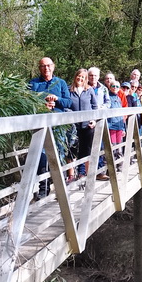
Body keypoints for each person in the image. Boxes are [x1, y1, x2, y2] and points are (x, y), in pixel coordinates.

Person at [28, 57, 72, 197]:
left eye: (48, 65)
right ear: (39, 68)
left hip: (58, 125)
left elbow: (68, 103)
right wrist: (43, 104)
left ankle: (61, 189)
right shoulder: (33, 83)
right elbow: (27, 101)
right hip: (40, 126)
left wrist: (57, 100)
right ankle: (43, 189)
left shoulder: (61, 83)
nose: (46, 68)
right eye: (43, 66)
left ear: (53, 66)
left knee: (59, 153)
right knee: (42, 156)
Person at [68, 68, 98, 177]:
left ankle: (87, 175)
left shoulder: (89, 90)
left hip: (87, 126)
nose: (80, 78)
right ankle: (71, 176)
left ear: (86, 79)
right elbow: (66, 106)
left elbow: (95, 106)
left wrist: (94, 120)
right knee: (71, 150)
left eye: (83, 77)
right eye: (79, 76)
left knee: (87, 150)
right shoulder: (69, 90)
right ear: (75, 76)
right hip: (73, 126)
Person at [107, 81, 126, 166]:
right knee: (113, 147)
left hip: (119, 125)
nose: (115, 88)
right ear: (110, 87)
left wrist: (123, 128)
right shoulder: (108, 97)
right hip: (111, 126)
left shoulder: (118, 98)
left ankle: (120, 166)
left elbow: (122, 113)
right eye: (113, 86)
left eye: (117, 86)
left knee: (119, 148)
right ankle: (112, 168)